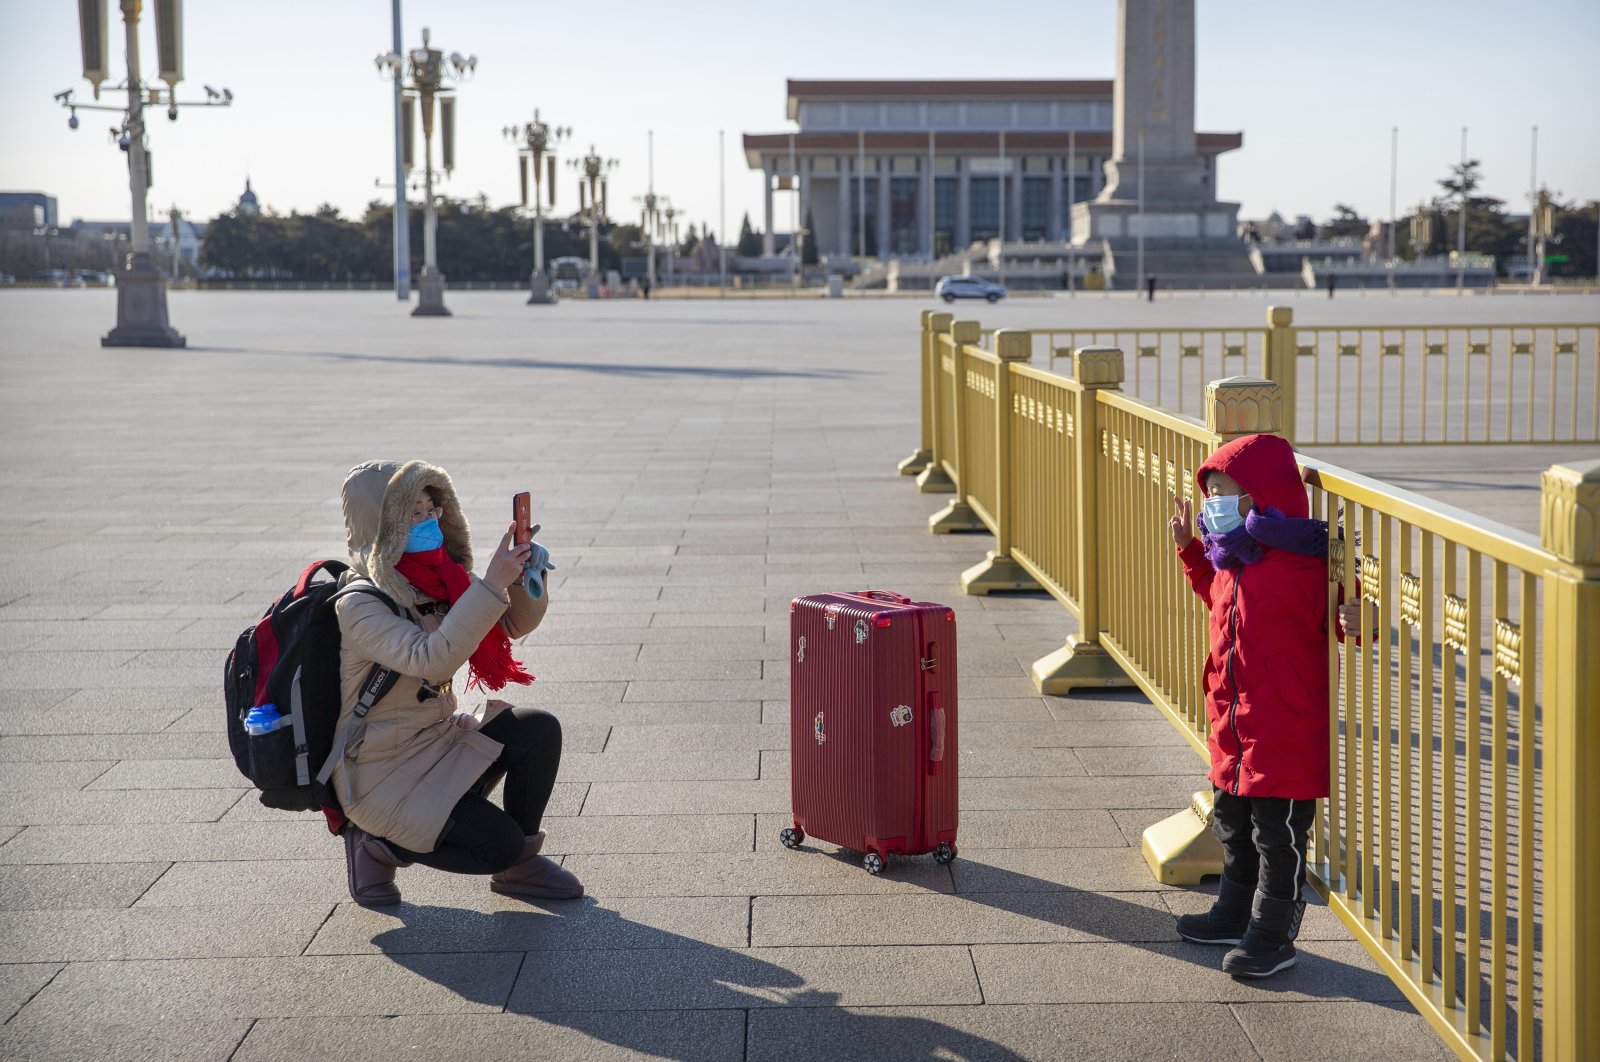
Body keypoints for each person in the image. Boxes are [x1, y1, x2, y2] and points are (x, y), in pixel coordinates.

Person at [331, 459, 580, 907]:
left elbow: (508, 625)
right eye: (413, 514)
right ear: (381, 527)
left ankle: (519, 863)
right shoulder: (360, 604)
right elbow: (432, 659)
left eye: (432, 510)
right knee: (494, 843)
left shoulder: (439, 577)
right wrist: (490, 583)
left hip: (437, 740)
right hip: (382, 772)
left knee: (537, 730)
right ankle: (375, 841)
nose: (429, 522)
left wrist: (526, 577)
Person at [1166, 433, 1363, 978]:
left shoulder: (1310, 561)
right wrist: (1189, 547)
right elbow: (1213, 592)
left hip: (1286, 728)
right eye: (1209, 495)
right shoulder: (1232, 555)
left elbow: (1353, 614)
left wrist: (1359, 617)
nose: (1213, 506)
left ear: (1260, 494)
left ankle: (1273, 935)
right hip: (1233, 722)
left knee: (1279, 837)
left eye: (1223, 492)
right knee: (1233, 821)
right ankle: (1234, 912)